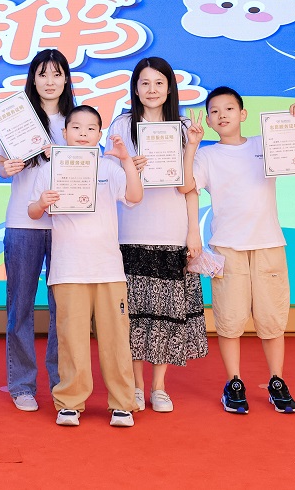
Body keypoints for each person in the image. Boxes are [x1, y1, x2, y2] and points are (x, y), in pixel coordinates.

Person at [180, 87, 295, 414]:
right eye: (215, 111)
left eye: (229, 109)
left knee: (272, 320)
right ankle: (234, 382)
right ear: (209, 121)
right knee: (229, 320)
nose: (222, 115)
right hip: (227, 248)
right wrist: (192, 146)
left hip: (269, 244)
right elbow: (185, 185)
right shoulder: (207, 156)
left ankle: (276, 381)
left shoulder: (263, 143)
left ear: (243, 114)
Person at [28, 105, 143, 427]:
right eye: (76, 128)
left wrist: (125, 160)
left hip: (108, 269)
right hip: (68, 269)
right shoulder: (50, 169)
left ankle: (122, 403)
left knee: (115, 339)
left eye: (91, 129)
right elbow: (33, 212)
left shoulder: (109, 168)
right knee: (71, 339)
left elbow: (135, 196)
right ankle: (70, 402)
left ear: (99, 134)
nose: (83, 134)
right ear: (64, 133)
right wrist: (42, 203)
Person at [105, 57, 208, 413]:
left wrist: (193, 232)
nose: (152, 90)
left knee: (166, 313)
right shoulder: (122, 125)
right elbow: (109, 180)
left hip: (172, 231)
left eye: (159, 83)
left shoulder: (183, 127)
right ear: (135, 89)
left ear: (169, 88)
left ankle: (159, 387)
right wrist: (126, 167)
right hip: (130, 232)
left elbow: (187, 187)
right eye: (145, 83)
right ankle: (135, 386)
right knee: (133, 314)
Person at [0, 49, 71, 412]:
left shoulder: (76, 120)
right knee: (20, 306)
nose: (50, 81)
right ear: (33, 79)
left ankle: (62, 383)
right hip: (22, 223)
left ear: (66, 79)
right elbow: (1, 165)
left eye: (56, 74)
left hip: (66, 224)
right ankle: (22, 384)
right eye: (43, 74)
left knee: (64, 309)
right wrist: (7, 168)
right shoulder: (18, 119)